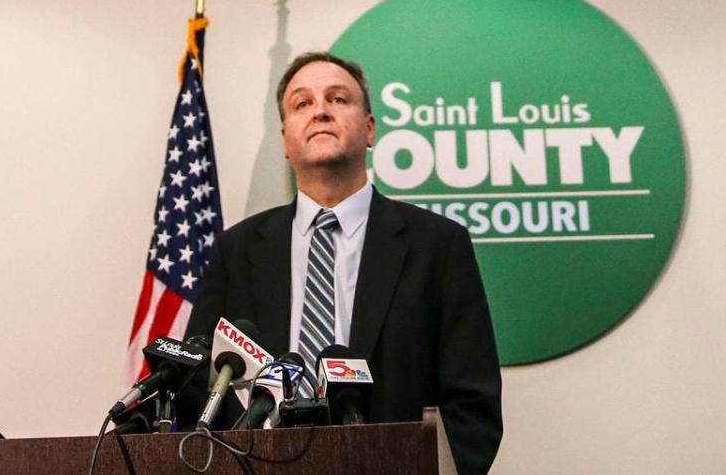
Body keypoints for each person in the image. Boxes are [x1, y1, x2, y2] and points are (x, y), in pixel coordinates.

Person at [184, 51, 502, 474]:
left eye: (337, 99)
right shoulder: (236, 251)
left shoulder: (438, 246)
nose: (320, 111)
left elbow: (472, 404)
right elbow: (197, 392)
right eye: (302, 103)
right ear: (285, 139)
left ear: (369, 129)